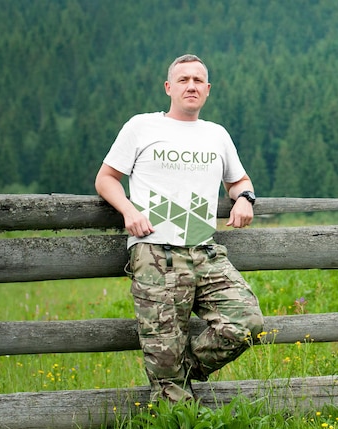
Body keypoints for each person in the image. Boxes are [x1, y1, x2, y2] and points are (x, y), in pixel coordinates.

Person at [95, 54, 264, 403]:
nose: (191, 86)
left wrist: (244, 197)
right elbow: (106, 179)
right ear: (169, 87)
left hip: (204, 252)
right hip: (156, 255)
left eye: (198, 80)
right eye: (183, 79)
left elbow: (239, 180)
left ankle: (172, 373)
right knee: (167, 373)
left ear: (208, 90)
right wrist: (127, 210)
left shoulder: (216, 134)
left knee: (247, 323)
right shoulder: (141, 126)